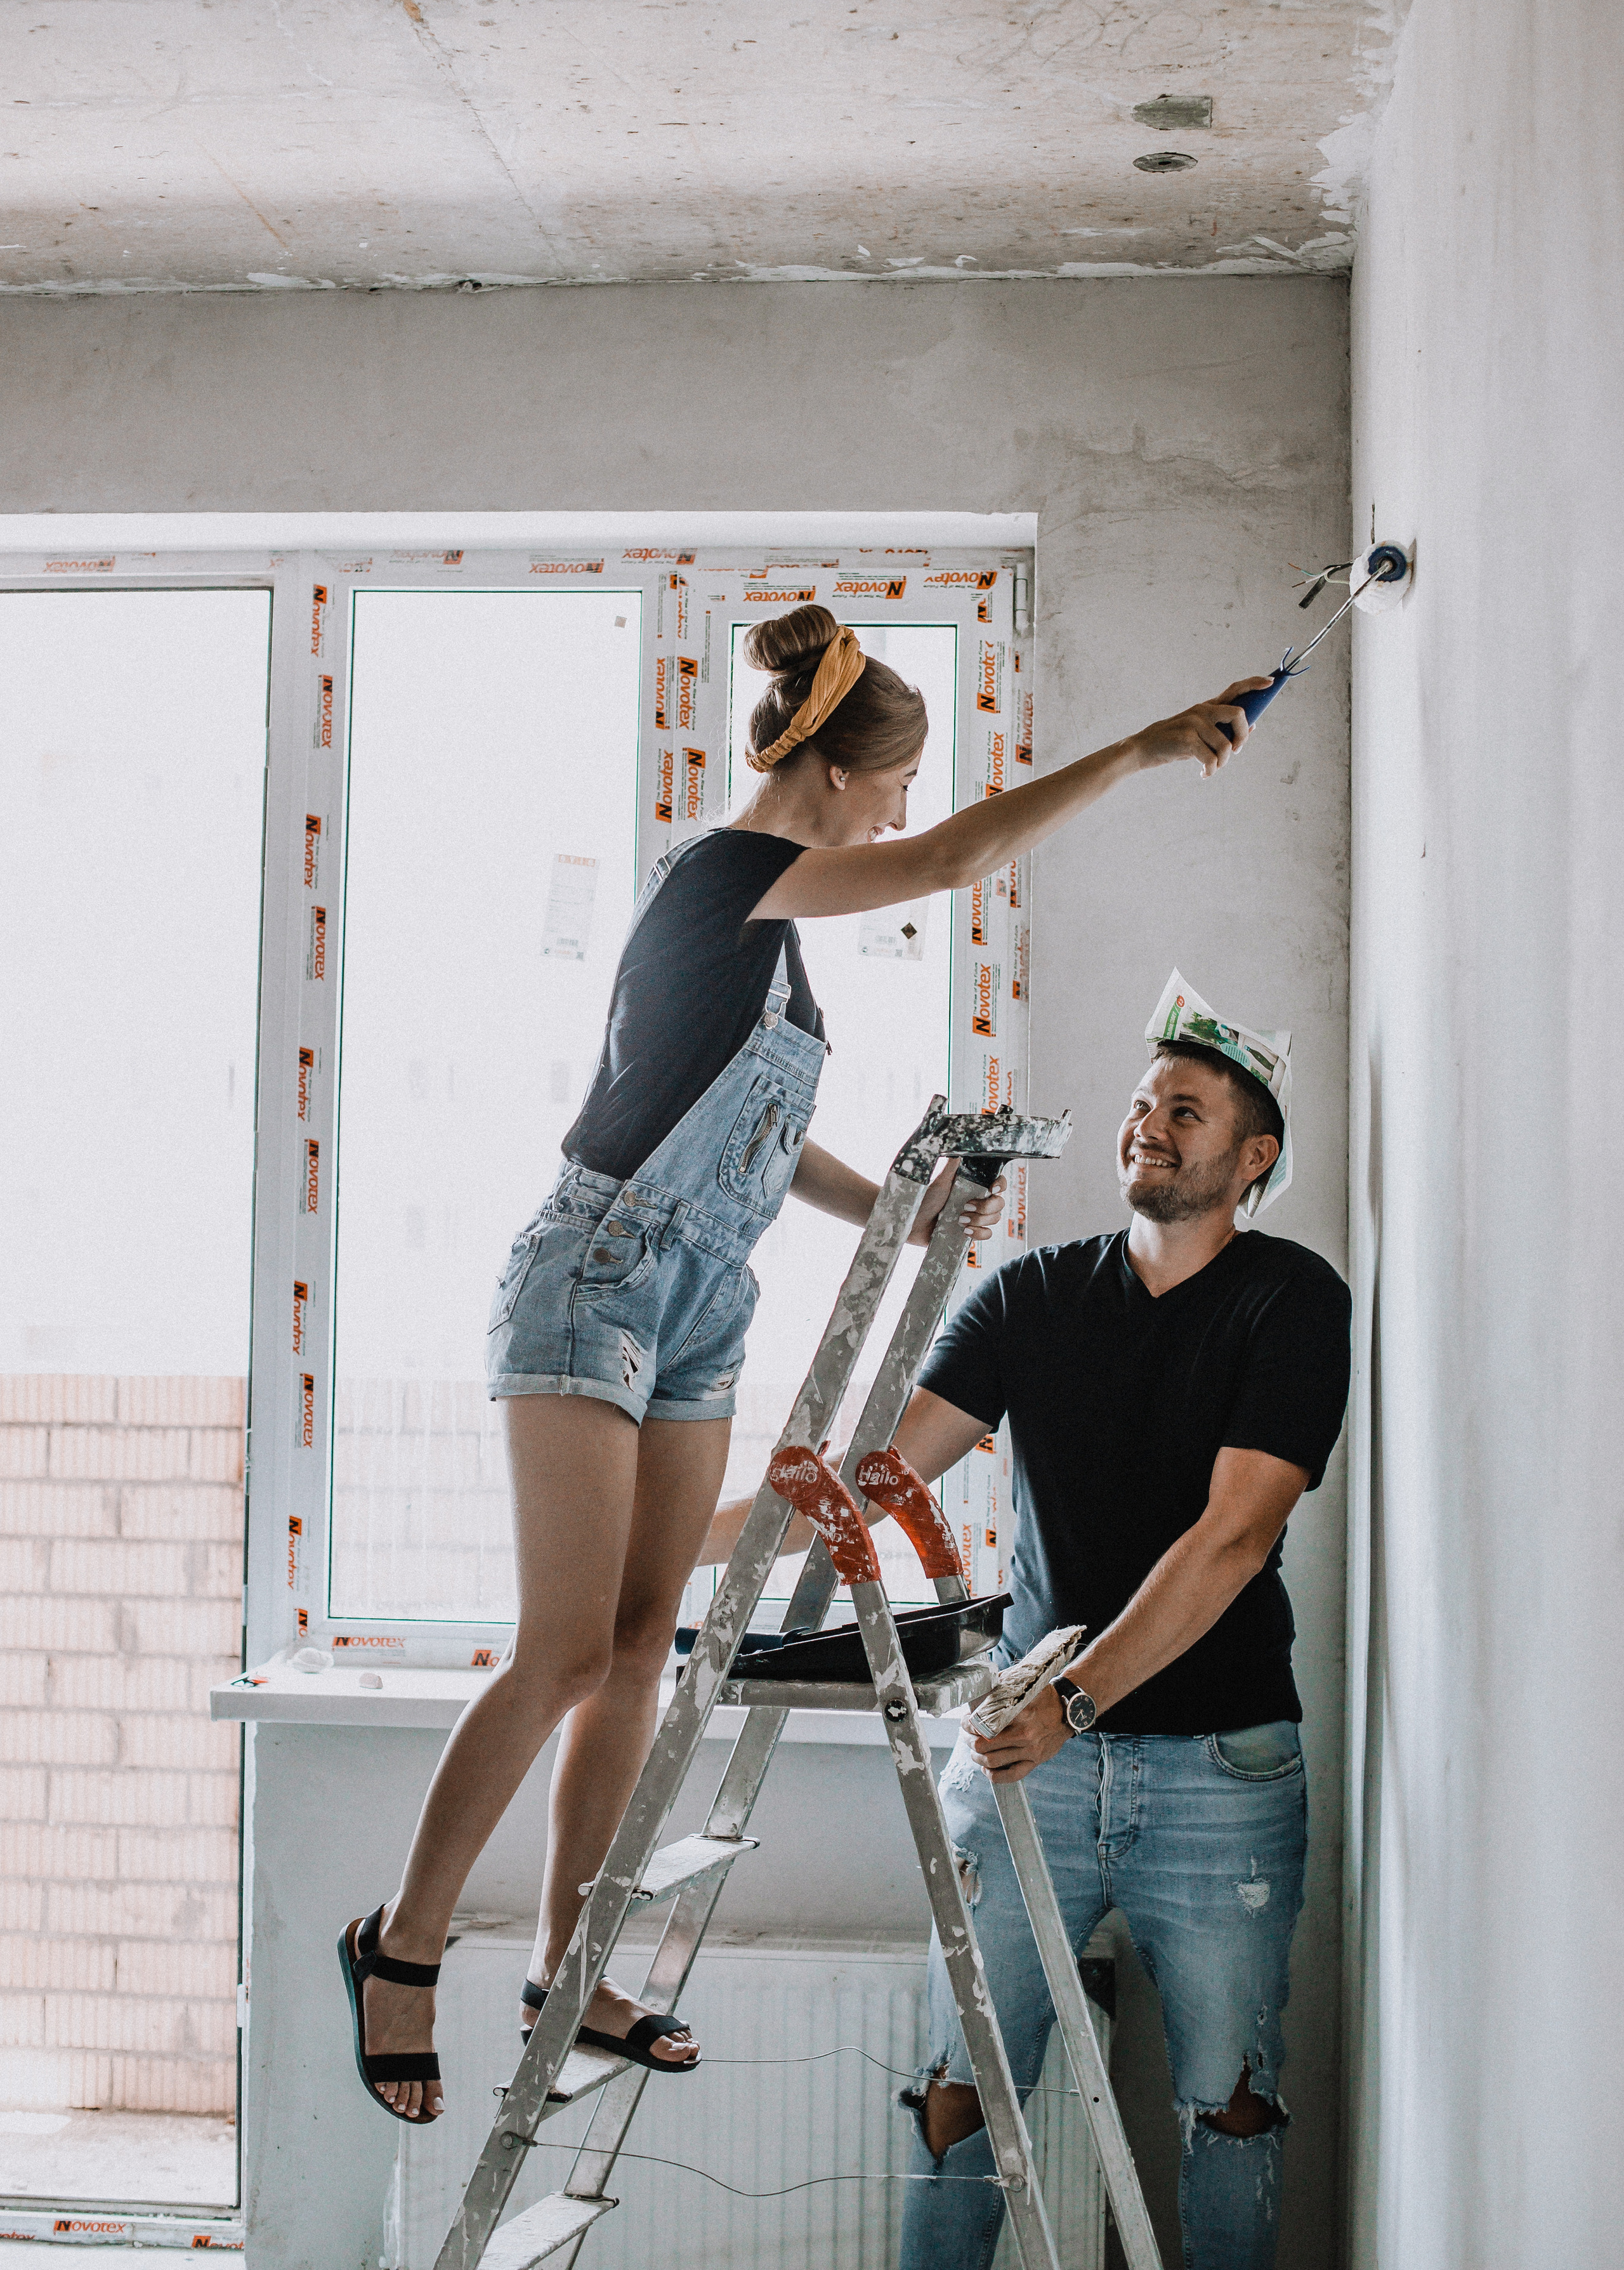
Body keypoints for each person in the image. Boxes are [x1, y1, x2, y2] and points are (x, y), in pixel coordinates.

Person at [337, 608, 1267, 2129]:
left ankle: (573, 1962)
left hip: (701, 1299)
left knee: (645, 1648)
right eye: (894, 785)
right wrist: (1149, 745)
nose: (901, 813)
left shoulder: (766, 949)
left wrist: (900, 1210)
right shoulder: (716, 878)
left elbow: (758, 1151)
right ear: (839, 776)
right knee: (566, 1647)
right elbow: (956, 857)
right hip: (595, 1273)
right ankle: (402, 1944)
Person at [854, 981, 1351, 2270]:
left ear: (1253, 1159)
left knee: (1227, 2109)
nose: (1148, 1126)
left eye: (1184, 1111)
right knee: (958, 2091)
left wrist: (1072, 1704)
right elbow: (881, 1476)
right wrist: (662, 1531)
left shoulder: (1289, 1299)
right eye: (1139, 1106)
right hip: (1027, 1779)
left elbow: (1233, 1538)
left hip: (1217, 1776)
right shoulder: (1028, 1299)